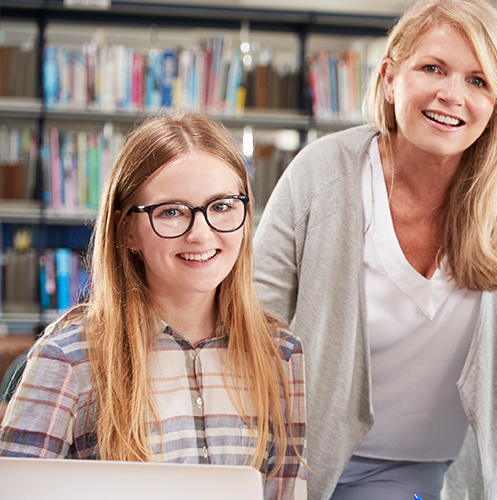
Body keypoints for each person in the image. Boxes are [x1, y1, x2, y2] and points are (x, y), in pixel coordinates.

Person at [251, 0, 497, 498]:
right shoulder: (322, 172)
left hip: (422, 470)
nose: (452, 95)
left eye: (479, 80)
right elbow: (255, 321)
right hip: (297, 459)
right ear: (389, 78)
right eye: (433, 68)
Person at [0, 112, 306, 500]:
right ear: (128, 229)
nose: (201, 233)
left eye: (223, 206)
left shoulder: (280, 354)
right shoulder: (69, 359)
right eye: (171, 212)